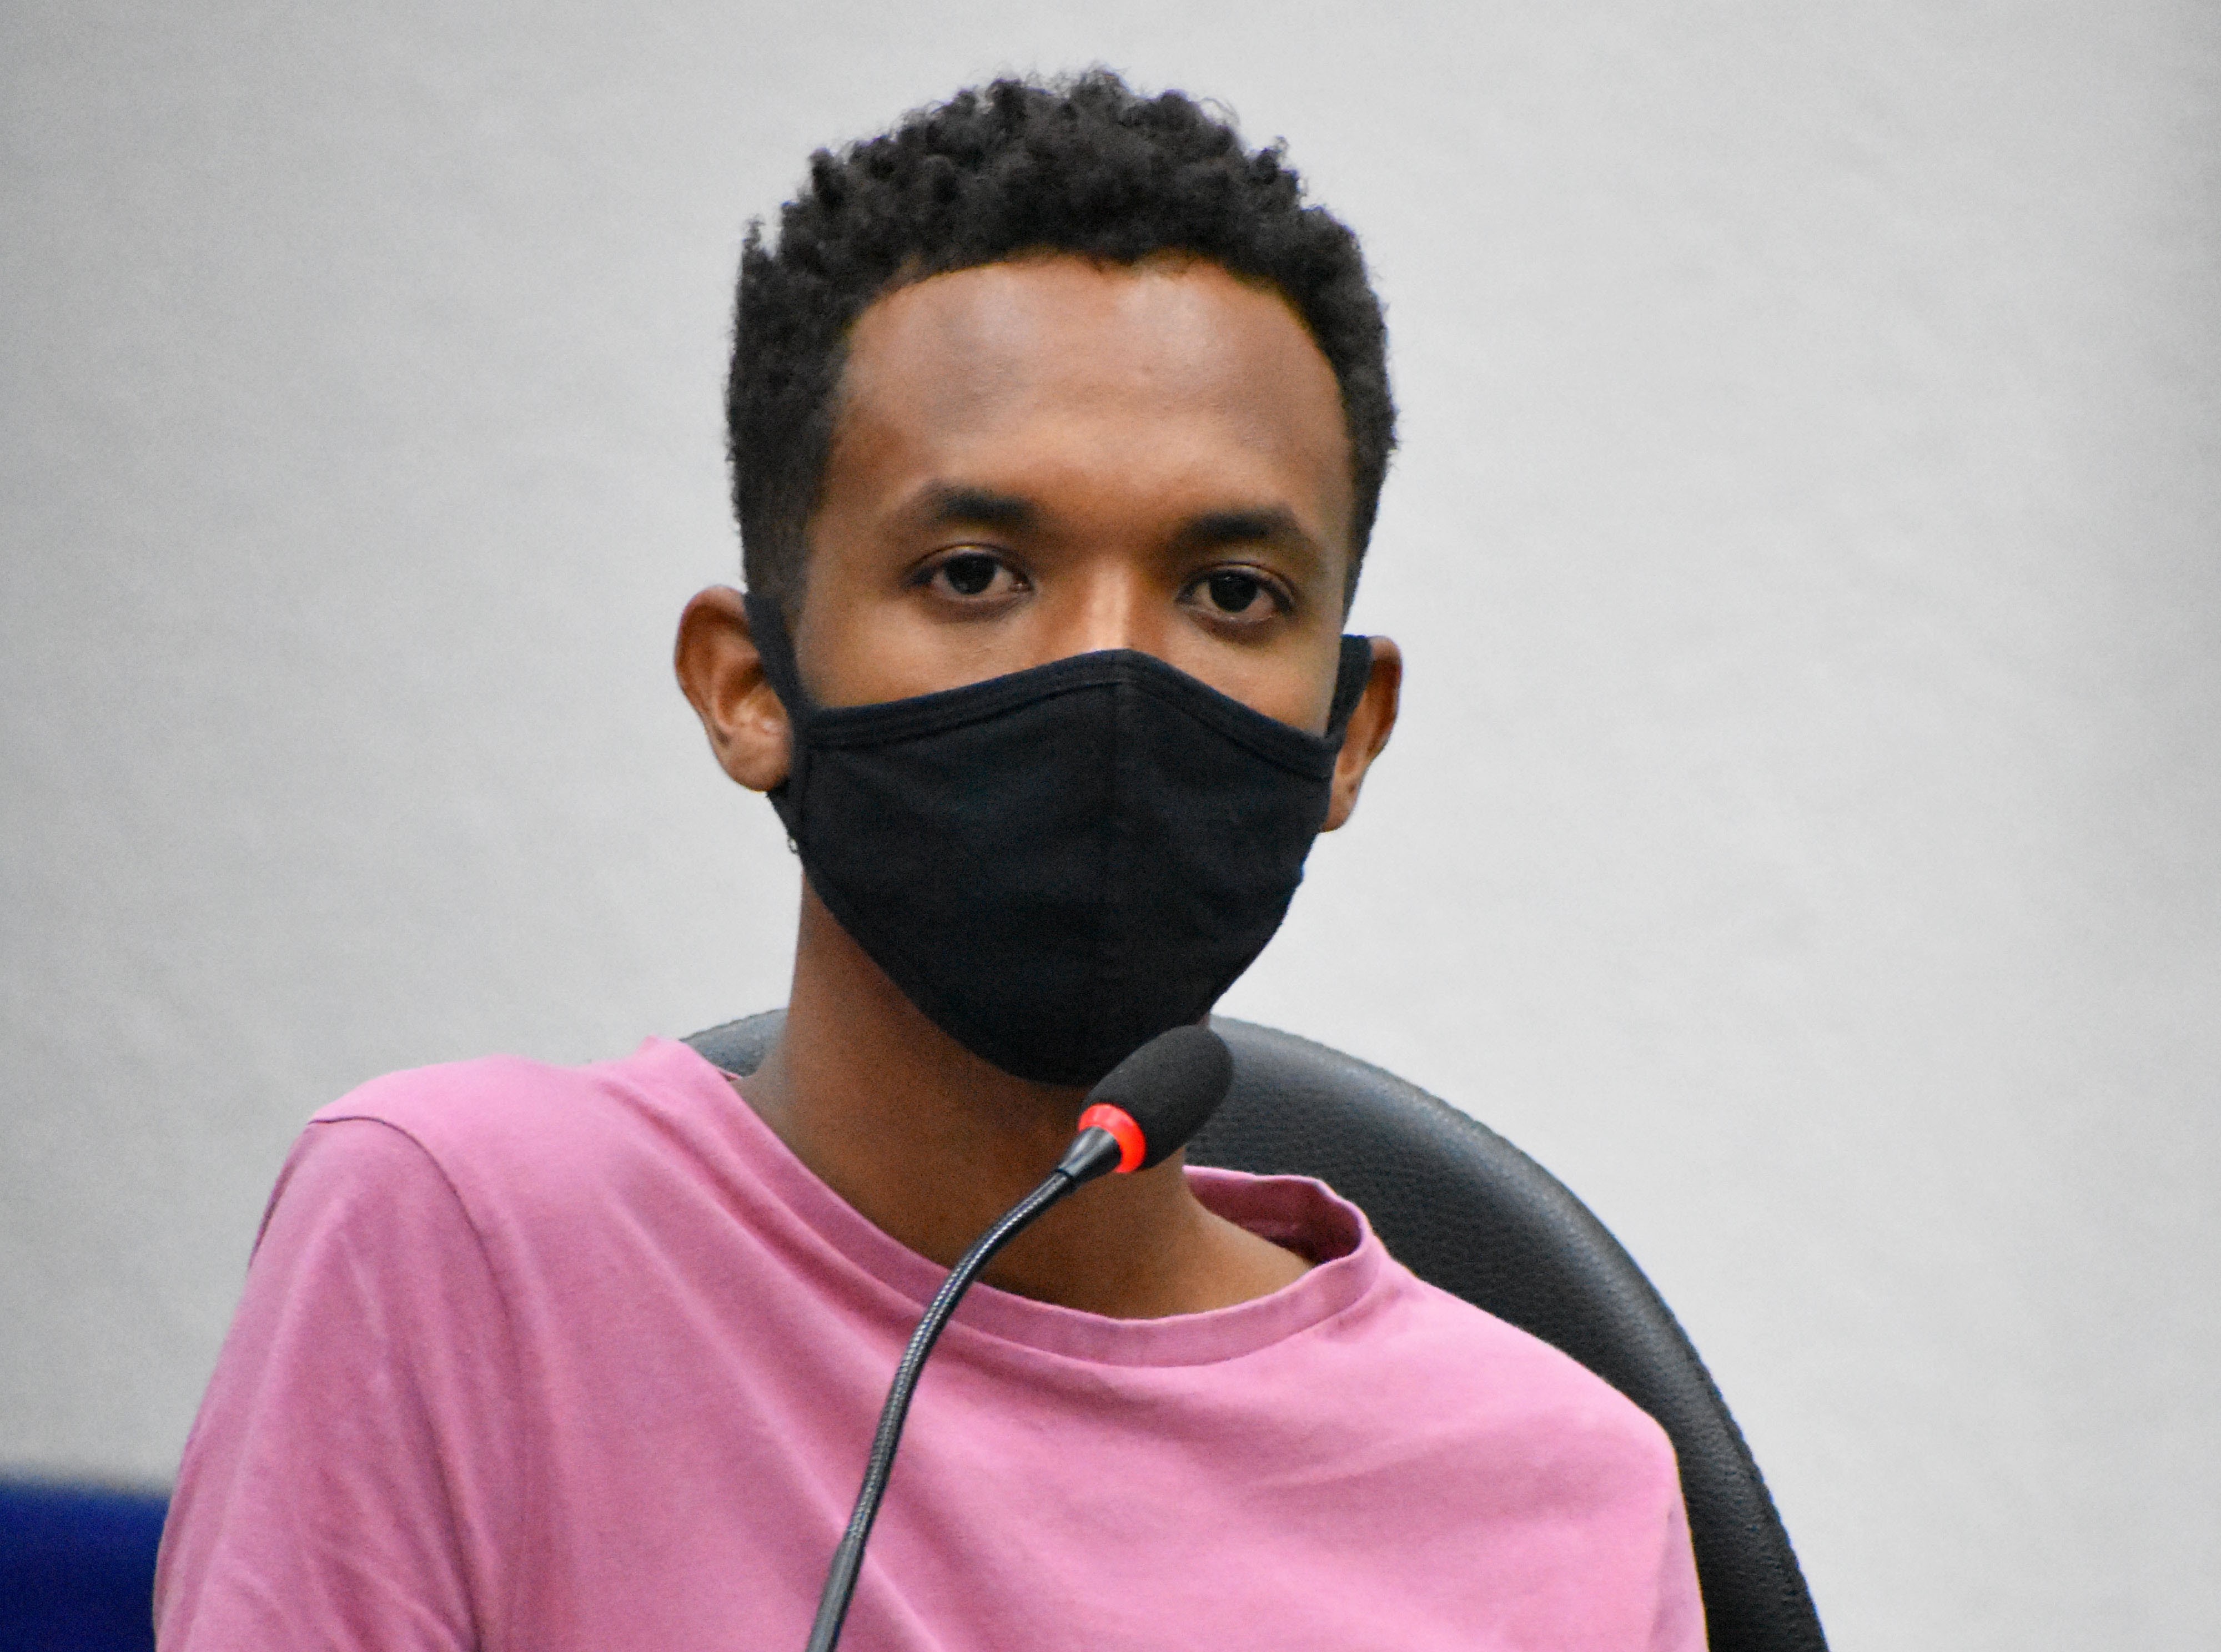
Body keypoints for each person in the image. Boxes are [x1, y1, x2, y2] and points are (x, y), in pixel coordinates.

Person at [155, 72, 1703, 1650]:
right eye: (976, 573)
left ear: (1348, 734)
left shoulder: (1565, 1500)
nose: (1109, 671)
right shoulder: (464, 1245)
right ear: (749, 687)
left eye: (1232, 593)